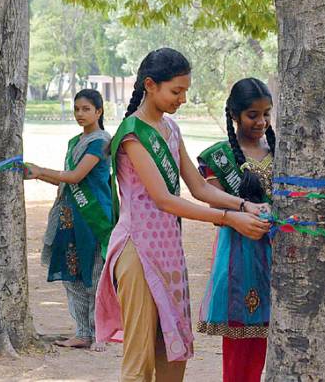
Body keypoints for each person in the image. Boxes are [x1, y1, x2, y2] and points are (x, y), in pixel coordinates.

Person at [94, 48, 271, 381]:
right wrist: (230, 219)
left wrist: (245, 205)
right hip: (138, 251)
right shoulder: (133, 134)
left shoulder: (170, 129)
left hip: (170, 252)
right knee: (140, 356)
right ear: (150, 85)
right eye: (176, 91)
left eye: (185, 91)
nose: (183, 98)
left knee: (173, 354)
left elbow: (200, 189)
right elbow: (165, 200)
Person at [197, 78, 275, 382]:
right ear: (234, 114)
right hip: (239, 257)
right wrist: (245, 212)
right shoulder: (218, 157)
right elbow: (217, 211)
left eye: (267, 113)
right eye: (252, 115)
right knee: (240, 345)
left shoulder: (282, 151)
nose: (262, 122)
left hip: (278, 254)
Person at [26, 89, 112, 352]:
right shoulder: (75, 142)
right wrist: (38, 175)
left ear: (99, 112)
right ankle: (82, 332)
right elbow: (66, 177)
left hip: (93, 216)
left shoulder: (100, 142)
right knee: (72, 275)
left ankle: (100, 333)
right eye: (76, 109)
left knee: (95, 274)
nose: (80, 114)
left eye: (86, 109)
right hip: (70, 215)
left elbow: (75, 177)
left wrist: (42, 170)